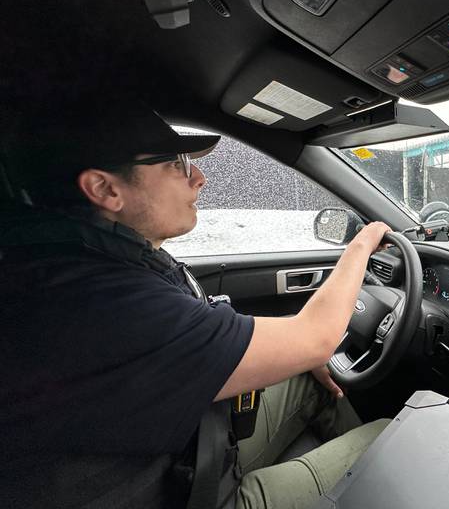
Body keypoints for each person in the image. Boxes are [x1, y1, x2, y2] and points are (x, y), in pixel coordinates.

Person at [0, 100, 393, 508]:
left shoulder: (75, 262)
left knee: (309, 377)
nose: (200, 177)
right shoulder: (110, 302)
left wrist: (303, 351)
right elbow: (318, 338)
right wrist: (362, 244)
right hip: (189, 493)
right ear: (105, 189)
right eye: (177, 164)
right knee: (390, 435)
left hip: (188, 449)